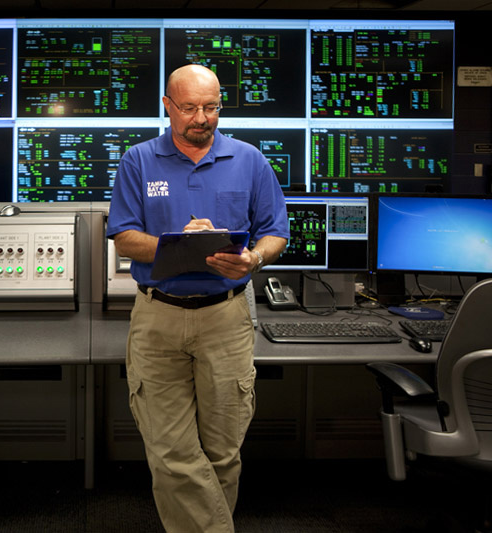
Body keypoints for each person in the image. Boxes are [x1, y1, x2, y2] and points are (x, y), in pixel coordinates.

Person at [106, 63, 289, 533]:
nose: (201, 118)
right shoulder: (138, 161)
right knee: (170, 452)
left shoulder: (250, 160)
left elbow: (275, 234)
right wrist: (178, 245)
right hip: (158, 317)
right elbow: (124, 238)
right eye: (189, 108)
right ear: (168, 107)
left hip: (226, 319)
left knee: (222, 451)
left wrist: (252, 260)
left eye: (210, 107)